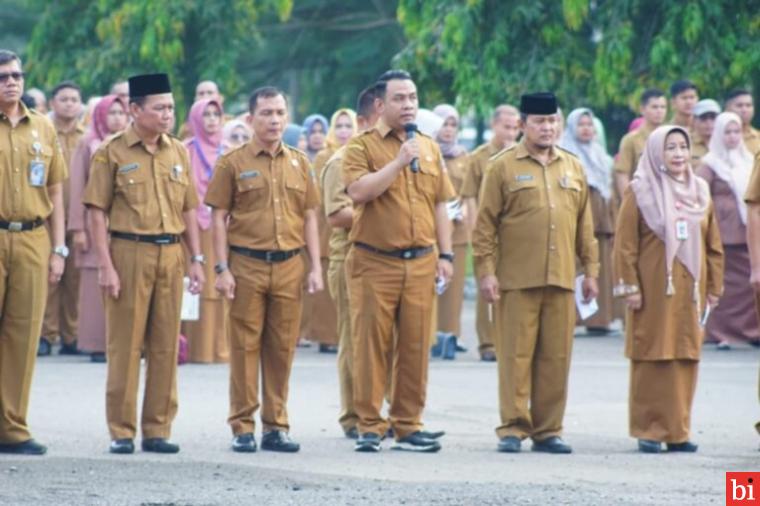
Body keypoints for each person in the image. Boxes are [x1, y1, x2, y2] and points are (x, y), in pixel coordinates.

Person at [83, 73, 205, 455]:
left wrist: (197, 260)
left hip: (171, 254)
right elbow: (96, 212)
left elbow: (188, 210)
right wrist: (105, 265)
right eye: (159, 108)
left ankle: (157, 429)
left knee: (167, 346)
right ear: (135, 110)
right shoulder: (112, 151)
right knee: (125, 345)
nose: (167, 115)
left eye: (170, 107)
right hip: (129, 251)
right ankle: (121, 431)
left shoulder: (178, 151)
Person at [473, 92, 599, 455]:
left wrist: (590, 271)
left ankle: (548, 430)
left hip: (560, 280)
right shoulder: (503, 166)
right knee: (515, 356)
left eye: (553, 121)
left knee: (556, 357)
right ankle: (512, 427)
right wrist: (486, 272)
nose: (548, 128)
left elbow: (584, 227)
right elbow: (484, 227)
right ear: (525, 124)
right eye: (540, 122)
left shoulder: (573, 167)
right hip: (516, 279)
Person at [205, 86, 323, 454]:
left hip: (289, 265)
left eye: (279, 113)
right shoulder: (232, 162)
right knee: (243, 348)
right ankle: (242, 425)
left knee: (282, 348)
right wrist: (222, 268)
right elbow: (218, 218)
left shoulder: (300, 162)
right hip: (246, 266)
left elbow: (308, 217)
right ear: (250, 118)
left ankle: (276, 426)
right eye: (266, 113)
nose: (274, 120)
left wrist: (315, 266)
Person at [343, 70, 455, 453]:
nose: (408, 105)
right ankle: (371, 426)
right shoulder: (361, 147)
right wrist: (396, 163)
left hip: (422, 261)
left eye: (412, 97)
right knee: (372, 347)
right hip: (375, 261)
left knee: (415, 346)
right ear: (380, 105)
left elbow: (440, 202)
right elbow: (358, 191)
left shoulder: (429, 147)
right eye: (399, 99)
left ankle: (408, 425)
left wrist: (447, 254)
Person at [613, 125, 723, 453]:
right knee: (651, 354)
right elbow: (625, 245)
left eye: (682, 147)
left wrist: (714, 287)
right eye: (670, 148)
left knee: (685, 356)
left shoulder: (700, 190)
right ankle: (648, 429)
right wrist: (629, 286)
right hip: (652, 290)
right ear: (656, 152)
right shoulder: (640, 190)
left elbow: (713, 245)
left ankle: (678, 431)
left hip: (691, 291)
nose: (677, 154)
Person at [0, 50, 67, 456]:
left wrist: (58, 248)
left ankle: (12, 427)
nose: (12, 82)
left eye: (17, 75)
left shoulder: (42, 127)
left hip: (31, 237)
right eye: (3, 76)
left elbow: (56, 191)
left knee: (23, 335)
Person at [322, 88, 380, 438]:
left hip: (382, 257)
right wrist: (383, 218)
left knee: (378, 341)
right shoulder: (341, 161)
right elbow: (336, 214)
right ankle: (353, 416)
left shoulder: (384, 159)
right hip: (349, 257)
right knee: (354, 337)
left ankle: (375, 411)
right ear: (363, 122)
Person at [68, 95, 129, 362]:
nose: (116, 117)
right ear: (100, 115)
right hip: (95, 224)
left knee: (124, 282)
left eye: (121, 112)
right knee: (95, 286)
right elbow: (77, 187)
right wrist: (78, 228)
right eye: (111, 112)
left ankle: (122, 342)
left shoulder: (131, 145)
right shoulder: (88, 144)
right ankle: (95, 344)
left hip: (125, 224)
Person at [461, 105, 520, 361]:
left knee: (515, 288)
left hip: (516, 234)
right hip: (488, 232)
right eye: (506, 127)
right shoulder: (479, 157)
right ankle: (488, 344)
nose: (511, 132)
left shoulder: (523, 156)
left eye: (515, 127)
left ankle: (511, 340)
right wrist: (477, 231)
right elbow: (469, 197)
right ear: (494, 125)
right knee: (488, 287)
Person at [698, 112, 760, 348]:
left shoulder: (749, 159)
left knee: (748, 286)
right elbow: (698, 196)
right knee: (725, 288)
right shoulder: (710, 163)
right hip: (723, 234)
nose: (733, 137)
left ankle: (751, 331)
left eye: (737, 132)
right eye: (728, 132)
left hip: (748, 233)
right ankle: (720, 333)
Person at [305, 108, 358, 354]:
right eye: (339, 126)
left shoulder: (358, 154)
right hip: (328, 219)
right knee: (328, 288)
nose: (344, 131)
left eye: (349, 126)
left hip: (353, 221)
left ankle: (344, 337)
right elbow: (317, 197)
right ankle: (327, 337)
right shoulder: (325, 156)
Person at [181, 98, 229, 363]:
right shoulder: (184, 150)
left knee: (219, 285)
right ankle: (190, 347)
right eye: (206, 115)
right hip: (192, 226)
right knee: (193, 284)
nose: (212, 119)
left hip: (223, 227)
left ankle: (218, 348)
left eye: (216, 114)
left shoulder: (230, 151)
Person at [560, 108, 616, 333]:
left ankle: (598, 320)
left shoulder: (600, 155)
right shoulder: (565, 154)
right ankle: (572, 318)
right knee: (575, 265)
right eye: (581, 124)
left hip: (600, 218)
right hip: (576, 217)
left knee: (599, 266)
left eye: (589, 125)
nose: (586, 129)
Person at [39, 81, 85, 356]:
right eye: (64, 99)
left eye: (74, 99)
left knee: (75, 281)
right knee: (50, 277)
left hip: (78, 217)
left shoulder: (87, 137)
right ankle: (47, 334)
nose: (69, 103)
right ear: (53, 102)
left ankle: (72, 336)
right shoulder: (43, 132)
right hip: (47, 216)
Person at [431, 104, 469, 359]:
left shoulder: (463, 156)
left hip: (458, 229)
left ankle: (451, 335)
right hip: (432, 229)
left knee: (453, 289)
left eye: (453, 124)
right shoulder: (428, 153)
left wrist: (463, 207)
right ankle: (432, 336)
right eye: (444, 123)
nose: (448, 129)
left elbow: (469, 190)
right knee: (432, 286)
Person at [614, 89, 668, 199]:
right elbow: (622, 174)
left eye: (663, 107)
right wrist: (628, 203)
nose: (659, 111)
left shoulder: (671, 137)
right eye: (654, 107)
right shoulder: (631, 140)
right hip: (642, 198)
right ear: (642, 109)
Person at [725, 89, 760, 155]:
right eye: (739, 105)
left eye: (748, 105)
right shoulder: (717, 137)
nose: (744, 110)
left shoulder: (758, 138)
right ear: (727, 108)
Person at [690, 99, 721, 170]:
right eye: (703, 118)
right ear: (694, 120)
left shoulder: (727, 143)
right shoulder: (686, 143)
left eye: (713, 118)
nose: (709, 122)